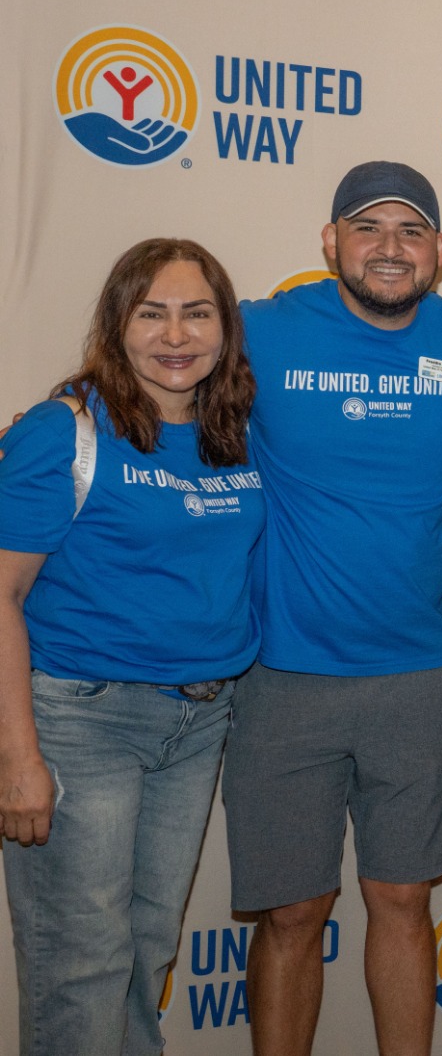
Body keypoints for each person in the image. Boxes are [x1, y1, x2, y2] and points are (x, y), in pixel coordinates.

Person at [220, 162, 442, 1056]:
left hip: (417, 674)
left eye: (411, 231)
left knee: (402, 900)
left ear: (441, 252)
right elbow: (151, 373)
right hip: (281, 676)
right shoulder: (256, 331)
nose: (389, 248)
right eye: (368, 228)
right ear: (330, 243)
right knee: (295, 913)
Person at [0, 238, 262, 1056]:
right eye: (152, 314)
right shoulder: (64, 432)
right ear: (118, 325)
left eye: (197, 313)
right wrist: (18, 758)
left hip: (198, 727)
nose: (175, 335)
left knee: (147, 951)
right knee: (83, 965)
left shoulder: (238, 433)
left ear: (225, 329)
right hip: (84, 723)